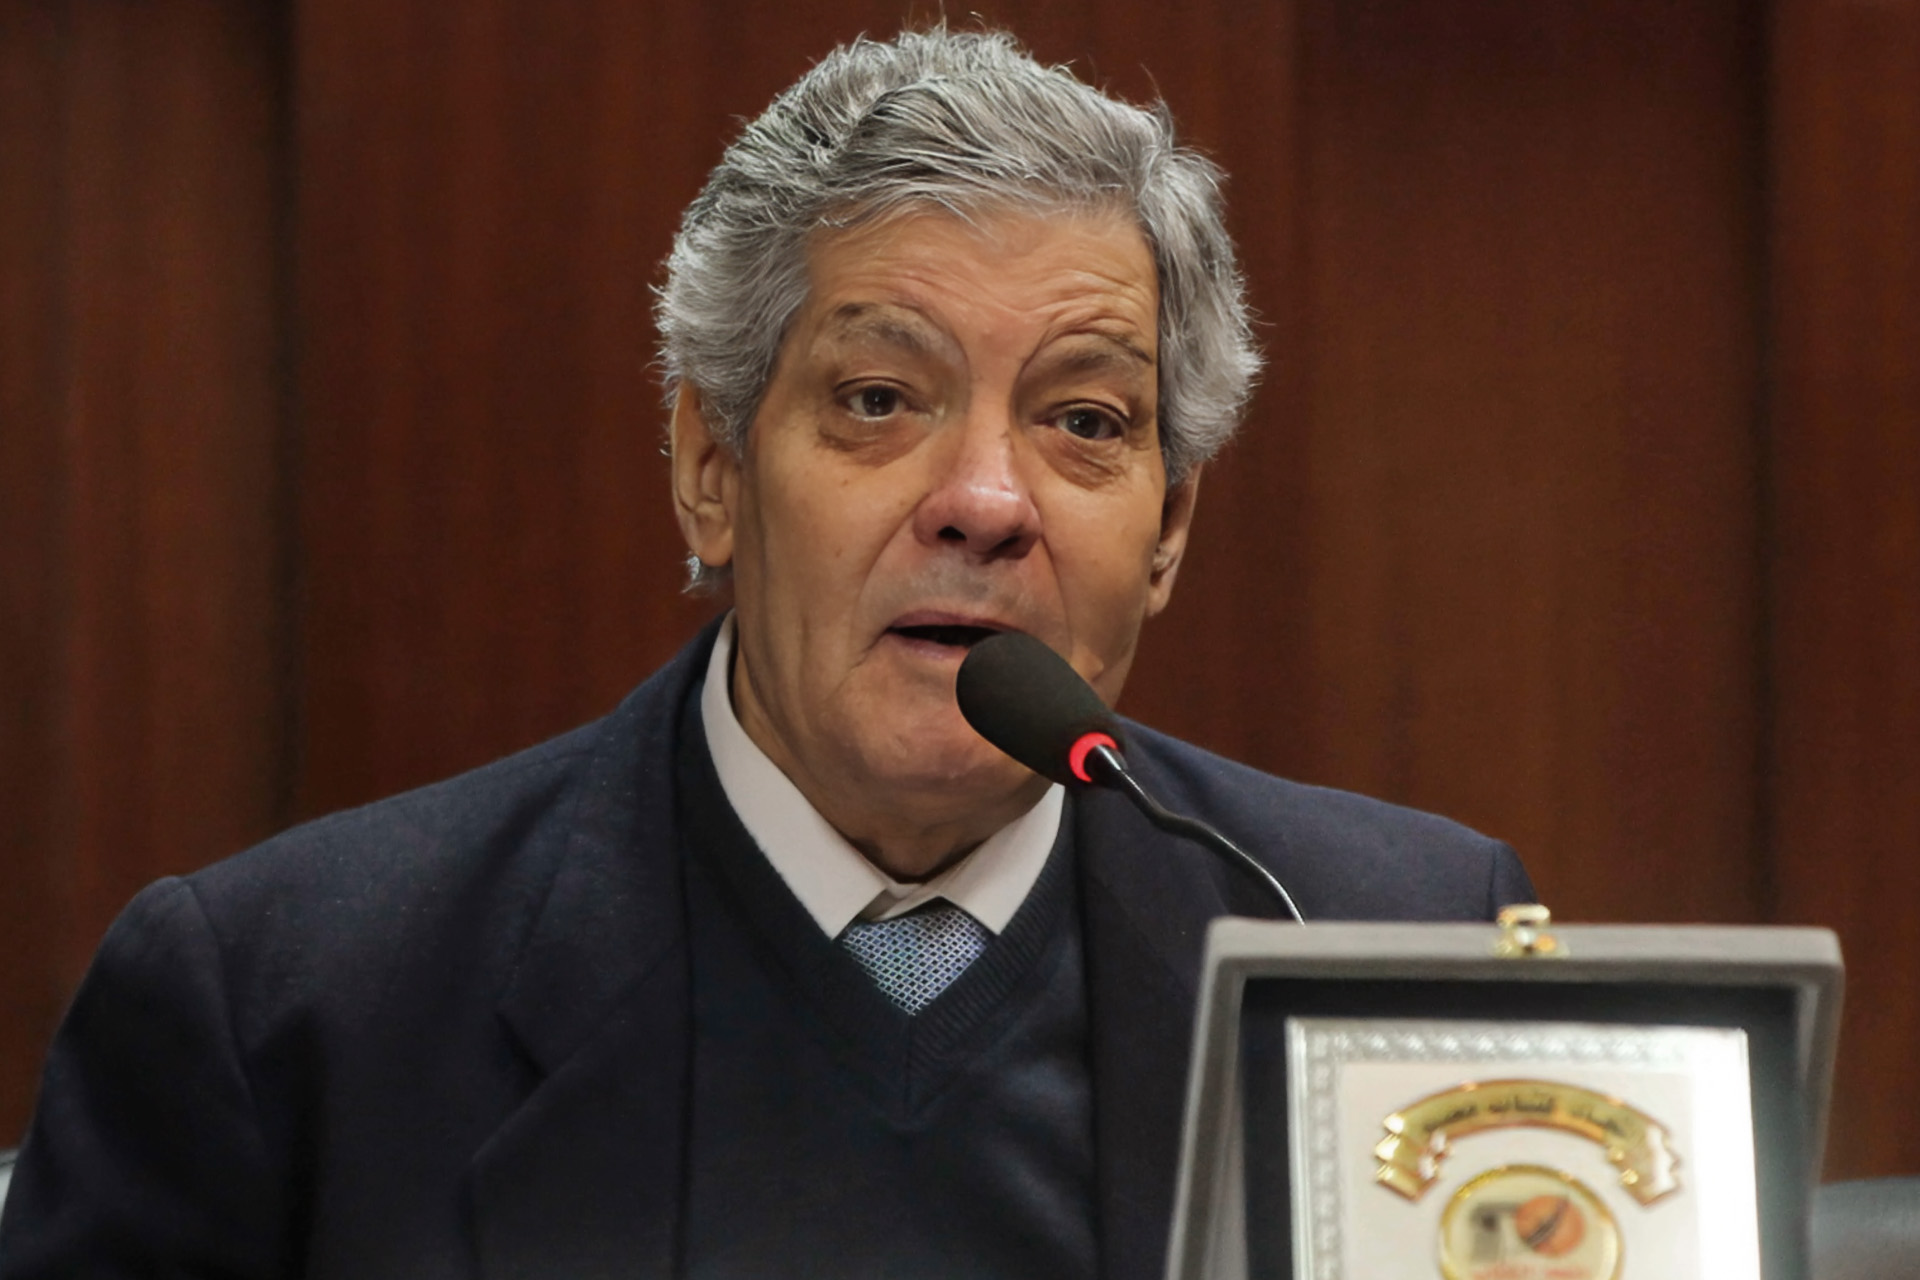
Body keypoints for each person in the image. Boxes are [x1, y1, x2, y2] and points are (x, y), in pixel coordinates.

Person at [0, 27, 1533, 1280]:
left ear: (1171, 525)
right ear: (711, 468)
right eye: (878, 400)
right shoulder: (289, 1014)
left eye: (1083, 420)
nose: (986, 502)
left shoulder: (1392, 951)